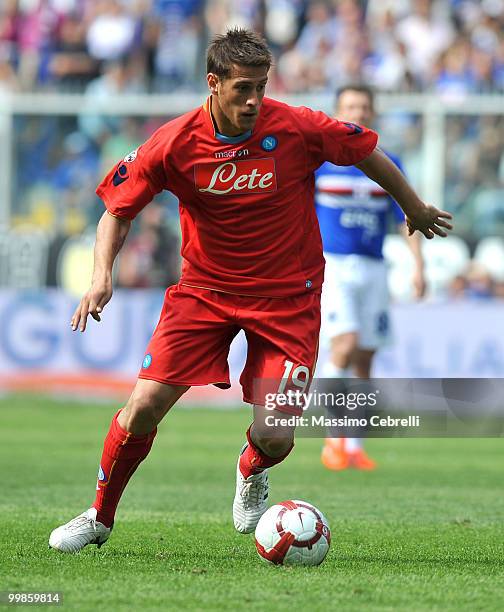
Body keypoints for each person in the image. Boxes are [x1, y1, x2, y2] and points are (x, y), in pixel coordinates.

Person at [48, 28, 452, 553]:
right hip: (205, 292)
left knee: (276, 435)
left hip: (289, 298)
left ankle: (251, 466)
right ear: (212, 83)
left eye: (262, 86)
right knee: (143, 405)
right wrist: (101, 276)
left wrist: (413, 207)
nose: (255, 100)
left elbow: (366, 151)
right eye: (242, 88)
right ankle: (99, 517)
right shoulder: (172, 143)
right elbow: (117, 210)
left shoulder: (298, 126)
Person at [315, 84, 426, 472]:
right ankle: (332, 441)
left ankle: (354, 447)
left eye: (363, 107)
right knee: (342, 346)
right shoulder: (321, 162)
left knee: (365, 358)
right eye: (350, 107)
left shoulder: (387, 162)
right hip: (335, 266)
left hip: (375, 268)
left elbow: (405, 220)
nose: (357, 113)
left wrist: (418, 265)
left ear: (373, 113)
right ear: (337, 111)